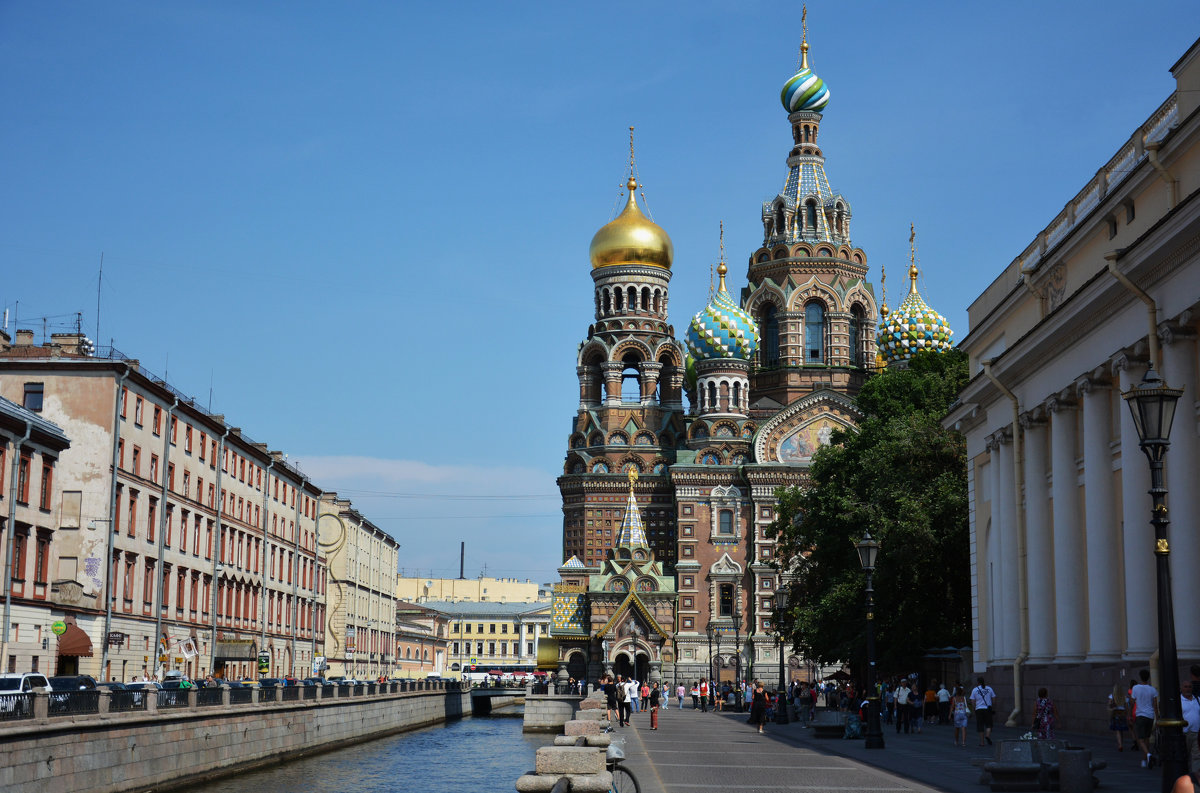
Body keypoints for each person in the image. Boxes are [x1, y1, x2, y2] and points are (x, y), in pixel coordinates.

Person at [1131, 668, 1158, 768]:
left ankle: (1148, 755)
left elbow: (1132, 702)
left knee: (1140, 739)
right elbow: (1155, 705)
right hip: (1150, 716)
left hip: (1140, 715)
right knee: (1147, 738)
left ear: (1140, 677)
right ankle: (1144, 760)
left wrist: (1129, 714)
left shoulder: (1135, 688)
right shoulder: (1152, 689)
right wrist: (1157, 717)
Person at [970, 676, 997, 746]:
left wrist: (974, 708)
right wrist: (992, 706)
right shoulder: (989, 688)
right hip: (988, 709)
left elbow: (973, 701)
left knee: (980, 725)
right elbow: (994, 698)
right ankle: (987, 735)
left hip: (979, 709)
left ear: (977, 682)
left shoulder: (975, 690)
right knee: (989, 724)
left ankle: (982, 742)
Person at [1182, 679, 1200, 773]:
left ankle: (1195, 777)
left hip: (1197, 733)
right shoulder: (1179, 700)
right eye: (1185, 687)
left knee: (1196, 757)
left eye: (1189, 687)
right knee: (1185, 756)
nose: (1188, 689)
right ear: (1182, 688)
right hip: (1185, 733)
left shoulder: (1197, 699)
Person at [1108, 681, 1129, 751]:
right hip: (1122, 714)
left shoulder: (1112, 696)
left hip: (1116, 713)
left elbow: (1109, 705)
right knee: (1121, 730)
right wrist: (1127, 714)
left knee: (1117, 730)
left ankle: (1120, 745)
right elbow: (1126, 707)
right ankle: (1121, 743)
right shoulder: (1124, 697)